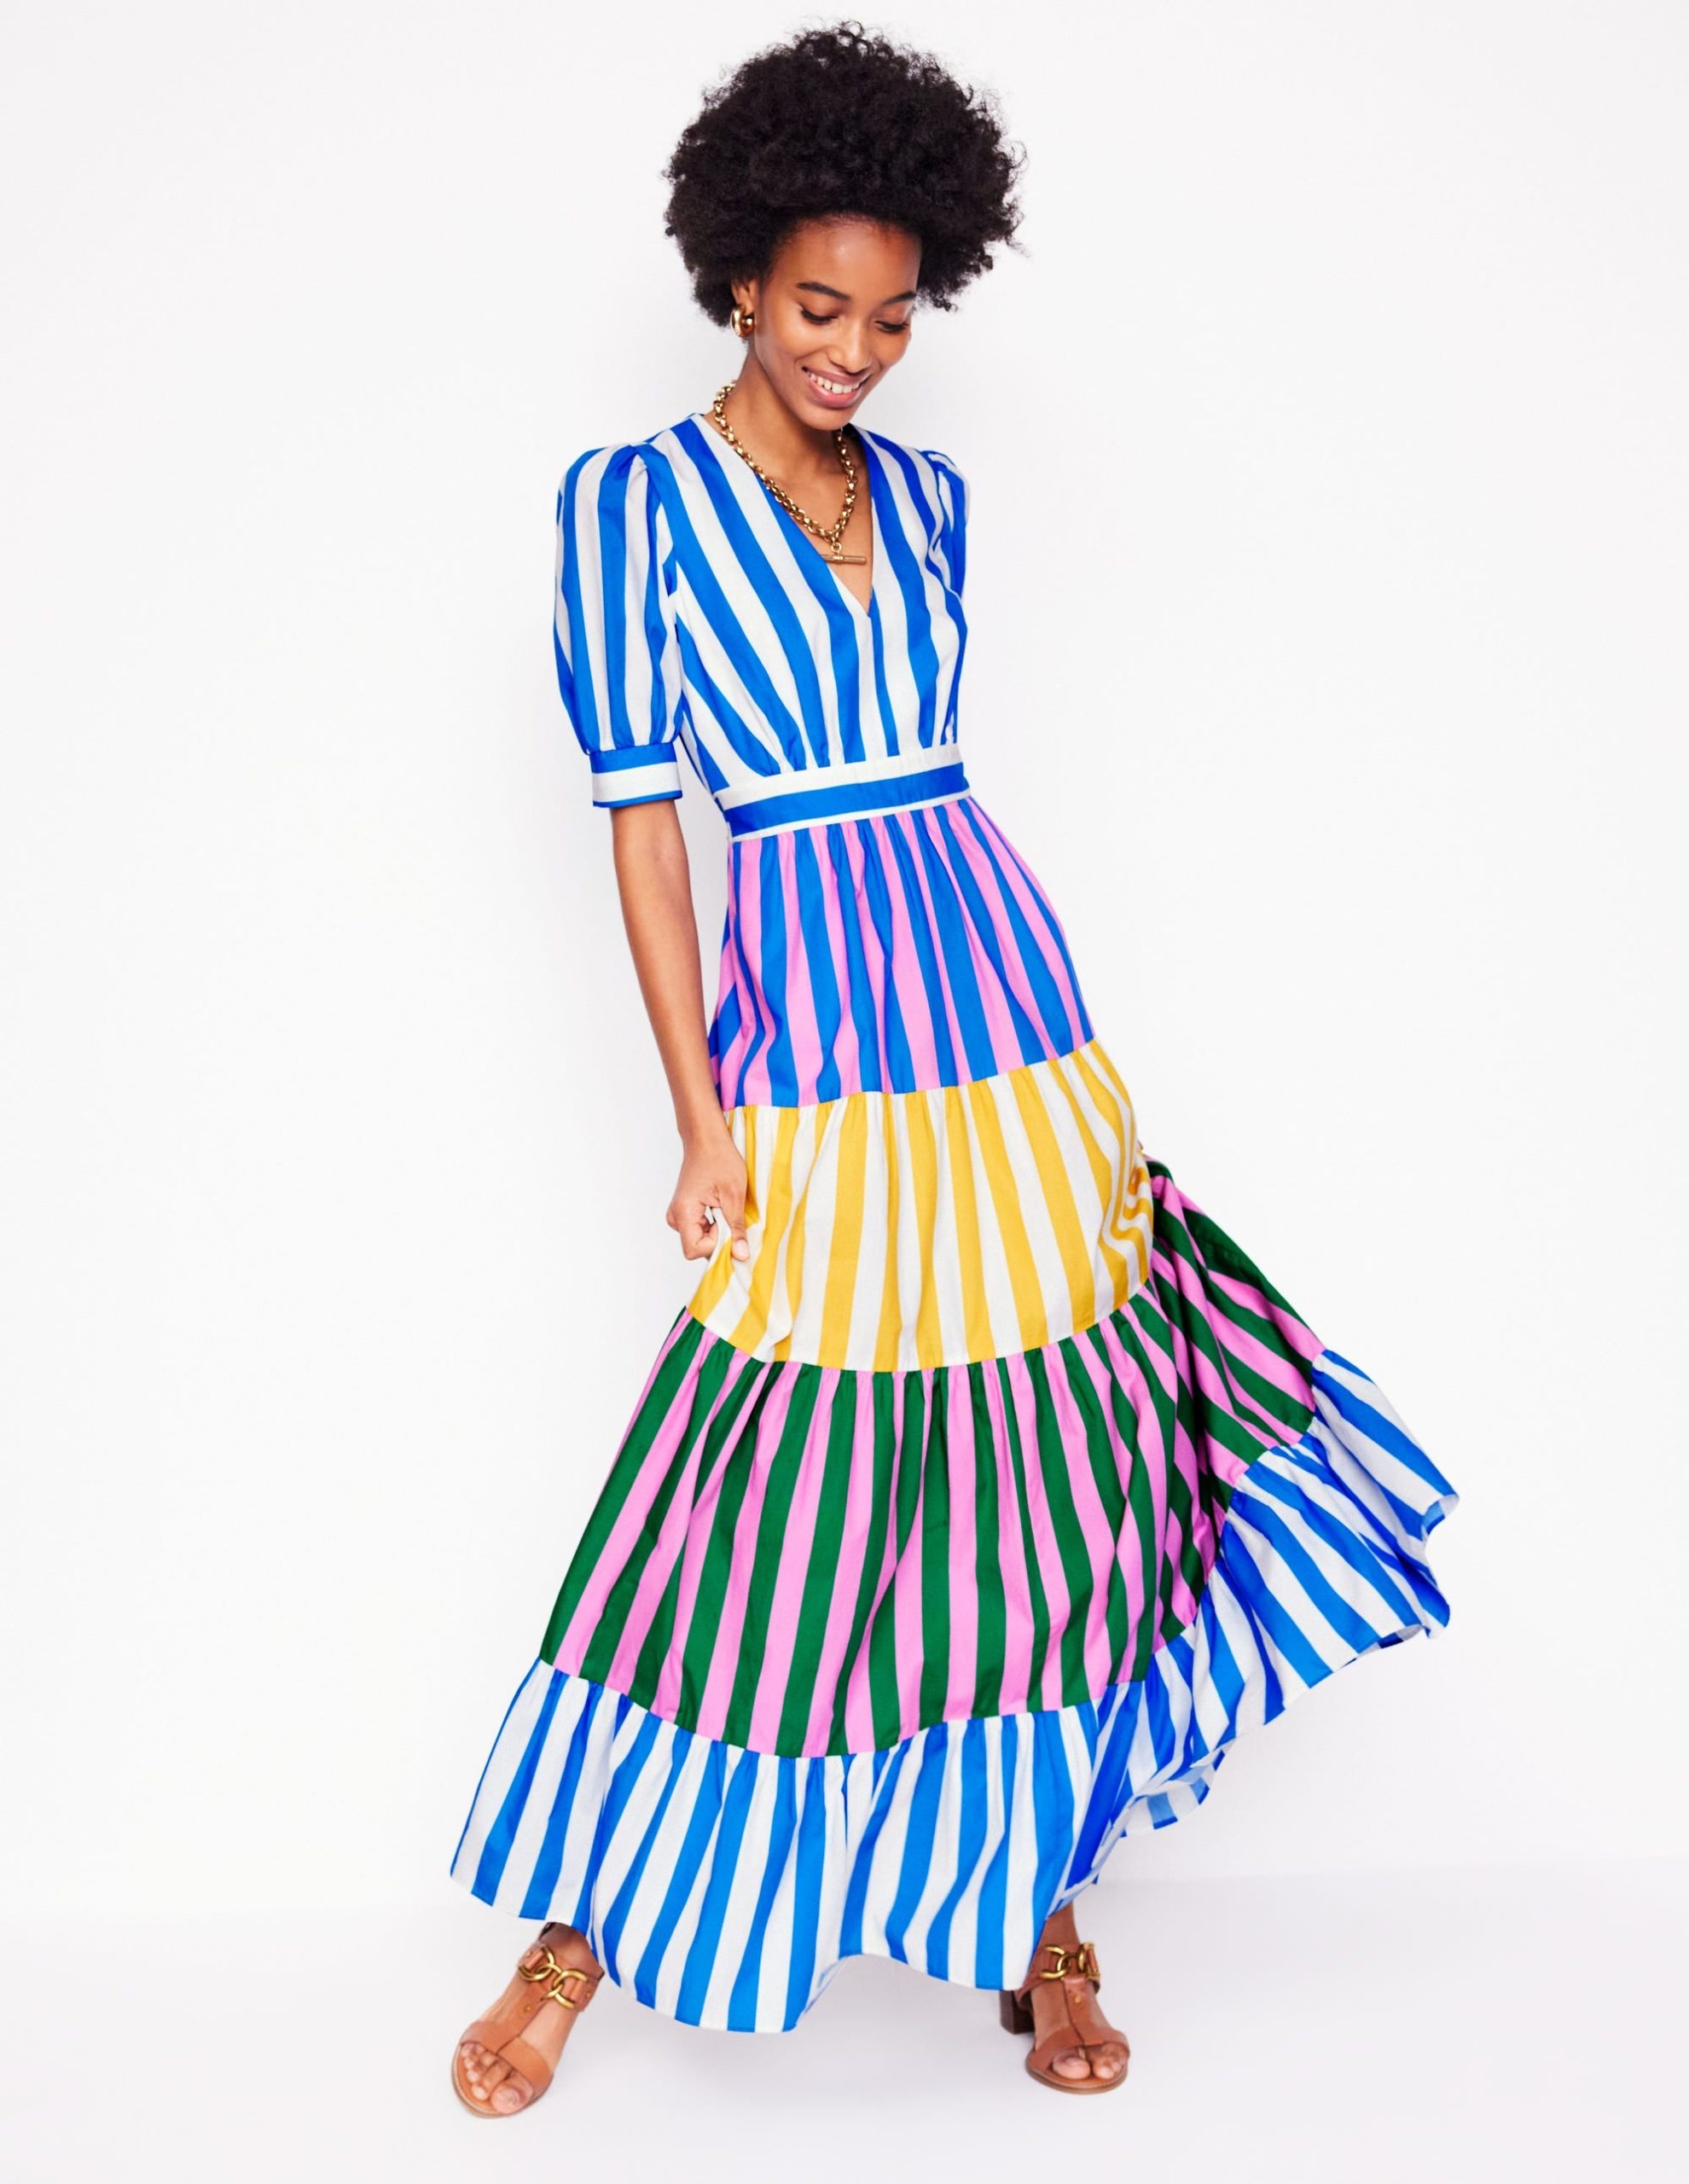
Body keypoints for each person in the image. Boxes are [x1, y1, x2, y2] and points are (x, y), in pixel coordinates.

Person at [445, 21, 1458, 2115]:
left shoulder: (933, 502)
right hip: (814, 1028)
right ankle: (581, 1927)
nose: (858, 352)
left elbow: (935, 779)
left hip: (1007, 1011)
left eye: (896, 316)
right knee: (760, 1487)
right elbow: (650, 835)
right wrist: (701, 1119)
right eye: (820, 307)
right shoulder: (631, 503)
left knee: (1061, 1466)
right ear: (738, 277)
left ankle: (1042, 1912)